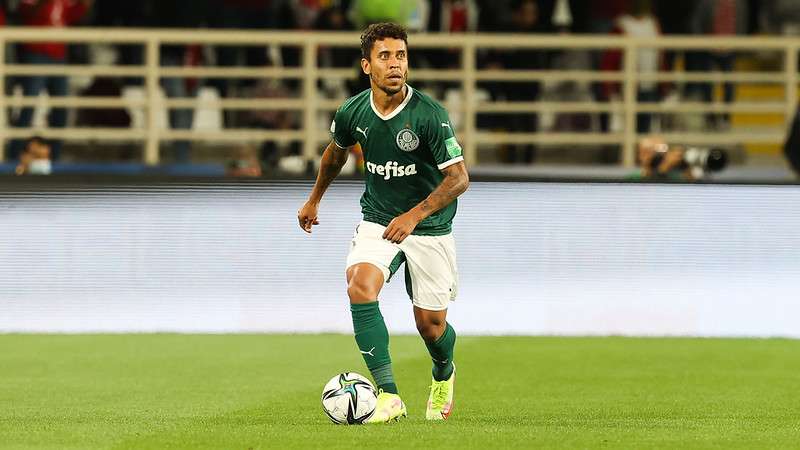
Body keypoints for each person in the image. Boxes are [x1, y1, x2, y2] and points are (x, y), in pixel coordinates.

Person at [297, 22, 469, 423]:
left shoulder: (429, 115)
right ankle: (389, 396)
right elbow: (334, 155)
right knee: (360, 286)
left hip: (429, 227)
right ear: (366, 65)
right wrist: (313, 199)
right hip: (378, 219)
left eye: (401, 55)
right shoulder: (352, 112)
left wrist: (414, 215)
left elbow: (459, 178)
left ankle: (444, 372)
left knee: (431, 327)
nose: (395, 64)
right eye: (385, 56)